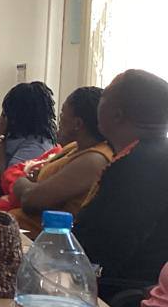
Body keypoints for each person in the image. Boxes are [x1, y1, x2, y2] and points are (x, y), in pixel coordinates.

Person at [74, 69, 168, 304]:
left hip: (122, 295)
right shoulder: (153, 155)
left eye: (104, 96)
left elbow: (99, 249)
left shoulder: (136, 166)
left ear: (116, 114)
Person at [7, 86, 112, 234]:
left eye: (62, 114)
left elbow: (31, 200)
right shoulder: (74, 147)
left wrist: (22, 183)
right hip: (17, 226)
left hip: (41, 239)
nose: (58, 121)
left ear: (77, 124)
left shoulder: (95, 159)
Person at [0, 81, 57, 203]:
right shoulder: (10, 132)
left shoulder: (37, 145)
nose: (4, 116)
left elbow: (3, 182)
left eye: (8, 112)